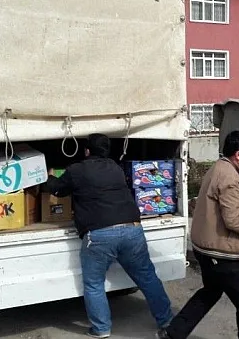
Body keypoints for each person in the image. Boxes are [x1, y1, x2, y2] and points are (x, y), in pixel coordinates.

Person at [45, 133, 173, 339]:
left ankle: (101, 328)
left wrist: (48, 176)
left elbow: (58, 190)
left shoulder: (77, 170)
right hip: (132, 229)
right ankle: (167, 320)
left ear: (87, 151)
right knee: (147, 277)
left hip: (100, 234)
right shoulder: (115, 168)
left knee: (94, 283)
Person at [158, 130, 239, 339]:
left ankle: (173, 333)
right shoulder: (229, 177)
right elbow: (233, 219)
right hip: (220, 250)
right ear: (238, 154)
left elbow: (234, 198)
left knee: (210, 292)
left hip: (205, 246)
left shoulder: (220, 167)